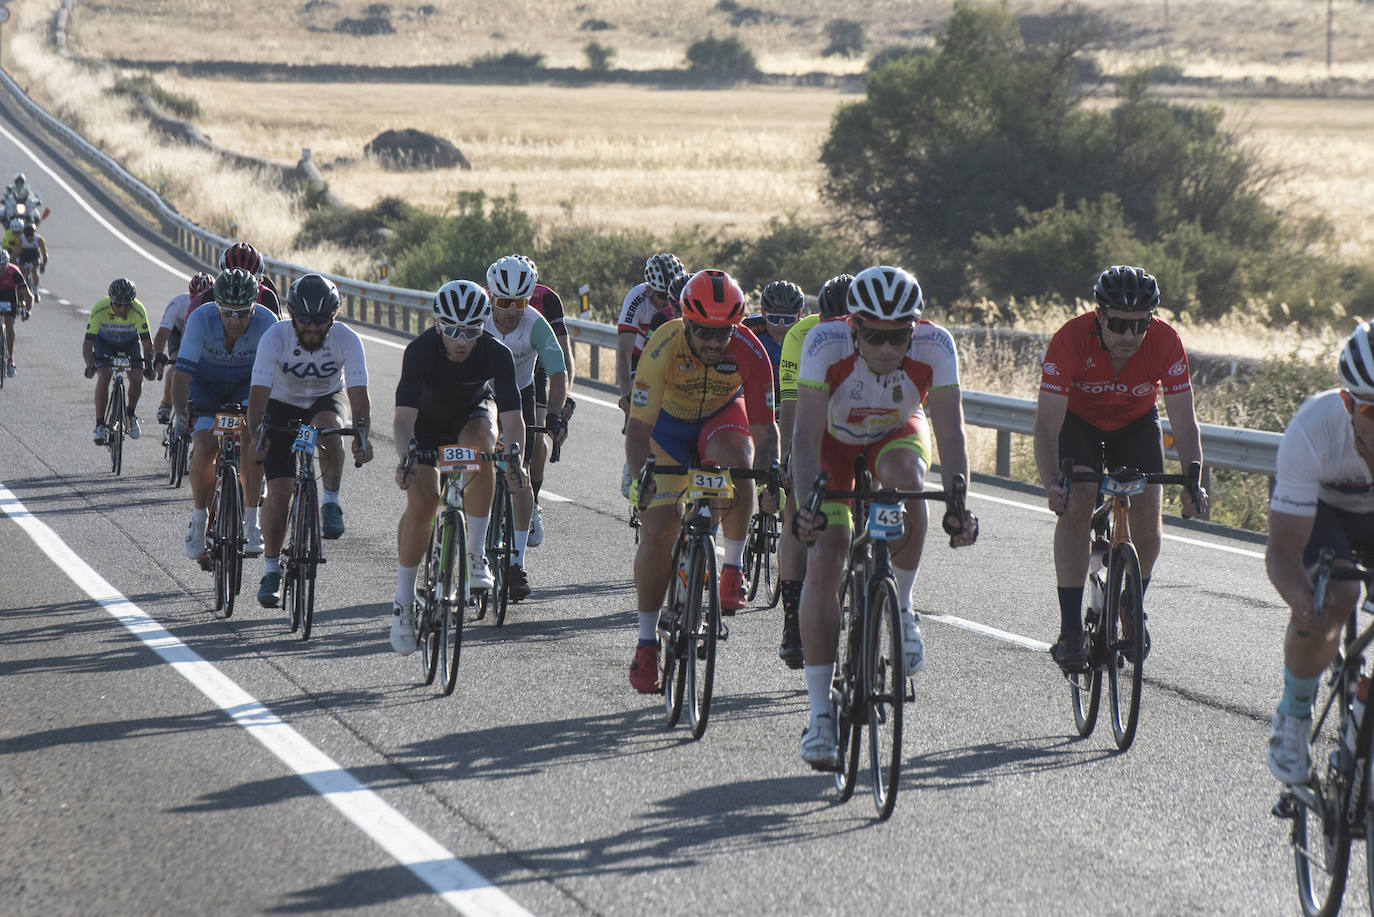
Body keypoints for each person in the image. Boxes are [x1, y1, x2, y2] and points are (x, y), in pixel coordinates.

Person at [790, 265, 979, 768]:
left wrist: (960, 503)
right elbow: (804, 440)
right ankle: (820, 715)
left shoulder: (935, 346)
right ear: (853, 327)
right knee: (827, 556)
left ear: (913, 329)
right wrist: (807, 503)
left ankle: (903, 606)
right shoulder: (824, 343)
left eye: (899, 336)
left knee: (908, 480)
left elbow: (953, 437)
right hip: (831, 444)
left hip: (894, 434)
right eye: (874, 336)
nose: (888, 349)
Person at [1033, 265, 1207, 672]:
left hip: (1135, 424)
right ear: (1099, 316)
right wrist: (1050, 483)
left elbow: (1184, 421)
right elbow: (1046, 426)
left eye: (1140, 325)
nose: (1130, 336)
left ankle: (1131, 601)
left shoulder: (1165, 342)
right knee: (1077, 505)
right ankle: (1070, 629)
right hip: (1079, 425)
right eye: (1119, 325)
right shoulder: (1069, 339)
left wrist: (1192, 477)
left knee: (1149, 518)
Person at [625, 268, 779, 693]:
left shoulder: (750, 350)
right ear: (686, 323)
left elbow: (766, 434)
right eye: (704, 333)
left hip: (721, 419)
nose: (714, 343)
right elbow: (638, 432)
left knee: (741, 457)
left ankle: (731, 567)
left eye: (723, 333)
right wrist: (644, 477)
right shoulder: (661, 347)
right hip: (668, 431)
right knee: (658, 532)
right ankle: (646, 644)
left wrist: (772, 483)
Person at [389, 279, 525, 655]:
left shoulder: (496, 354)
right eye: (451, 330)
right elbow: (402, 420)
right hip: (425, 426)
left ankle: (476, 557)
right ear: (437, 325)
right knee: (423, 503)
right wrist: (406, 457)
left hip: (471, 417)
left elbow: (513, 420)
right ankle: (403, 603)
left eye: (471, 331)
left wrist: (515, 457)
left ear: (483, 328)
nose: (461, 340)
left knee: (485, 450)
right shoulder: (420, 351)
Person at [1265, 322, 1374, 784]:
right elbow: (1283, 550)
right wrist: (1300, 600)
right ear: (1348, 403)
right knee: (1338, 595)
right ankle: (1291, 721)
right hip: (1322, 512)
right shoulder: (1313, 428)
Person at [248, 273, 373, 606]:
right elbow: (258, 395)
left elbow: (359, 397)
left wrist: (362, 434)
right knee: (279, 491)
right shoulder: (275, 337)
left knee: (331, 425)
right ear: (292, 315)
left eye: (321, 321)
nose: (313, 328)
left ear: (334, 317)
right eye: (304, 320)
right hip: (281, 403)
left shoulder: (347, 339)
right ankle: (272, 570)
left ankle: (330, 502)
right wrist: (257, 433)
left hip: (325, 398)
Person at [774, 273, 852, 667]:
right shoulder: (801, 336)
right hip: (817, 422)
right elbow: (791, 405)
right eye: (830, 324)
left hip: (860, 425)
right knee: (795, 507)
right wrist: (788, 458)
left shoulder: (876, 335)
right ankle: (792, 620)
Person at [171, 269, 276, 560]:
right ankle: (199, 518)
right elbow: (180, 377)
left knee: (253, 440)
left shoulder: (268, 323)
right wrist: (183, 414)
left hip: (247, 387)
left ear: (254, 306)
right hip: (204, 386)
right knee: (206, 446)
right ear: (217, 306)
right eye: (227, 313)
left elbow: (274, 381)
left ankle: (252, 521)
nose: (234, 321)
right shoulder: (201, 319)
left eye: (243, 314)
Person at [483, 256, 568, 601]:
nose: (510, 311)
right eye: (503, 302)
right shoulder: (478, 318)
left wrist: (555, 417)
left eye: (518, 302)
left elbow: (558, 373)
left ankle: (516, 562)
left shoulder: (534, 323)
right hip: (481, 392)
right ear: (490, 297)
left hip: (520, 391)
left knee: (520, 467)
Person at [83, 278, 154, 442]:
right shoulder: (99, 308)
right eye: (118, 304)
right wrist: (90, 365)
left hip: (129, 344)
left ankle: (130, 414)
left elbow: (147, 343)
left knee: (137, 377)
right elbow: (88, 344)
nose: (122, 309)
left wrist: (149, 363)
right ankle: (100, 424)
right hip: (105, 344)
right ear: (111, 301)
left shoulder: (138, 309)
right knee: (105, 375)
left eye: (127, 305)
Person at [616, 253, 685, 420]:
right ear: (649, 290)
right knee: (639, 413)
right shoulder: (636, 299)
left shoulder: (684, 298)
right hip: (639, 357)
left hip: (672, 356)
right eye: (663, 296)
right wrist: (627, 395)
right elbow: (624, 354)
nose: (669, 304)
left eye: (672, 297)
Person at [154, 272, 215, 424]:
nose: (198, 302)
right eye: (194, 298)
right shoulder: (178, 304)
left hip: (203, 335)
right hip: (179, 332)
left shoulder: (215, 308)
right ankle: (166, 403)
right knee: (177, 363)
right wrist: (159, 356)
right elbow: (162, 335)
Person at [186, 242, 281, 318]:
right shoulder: (205, 299)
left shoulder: (267, 297)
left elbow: (279, 336)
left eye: (247, 284)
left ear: (258, 280)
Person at [0, 249, 34, 378]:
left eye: (2, 266)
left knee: (9, 326)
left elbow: (28, 296)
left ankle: (9, 359)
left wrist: (27, 311)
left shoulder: (14, 272)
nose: (0, 270)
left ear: (7, 264)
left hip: (10, 298)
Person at [12, 220, 47, 303]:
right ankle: (21, 290)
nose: (29, 239)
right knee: (22, 272)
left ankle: (35, 292)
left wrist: (43, 265)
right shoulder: (21, 239)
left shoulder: (39, 240)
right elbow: (16, 253)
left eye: (31, 236)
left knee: (34, 271)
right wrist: (15, 264)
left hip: (34, 256)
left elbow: (44, 255)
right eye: (27, 236)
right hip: (23, 256)